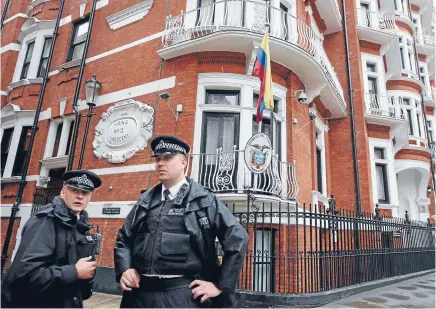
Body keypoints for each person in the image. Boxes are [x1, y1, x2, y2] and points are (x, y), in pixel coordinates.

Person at [114, 135, 249, 308]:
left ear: (184, 162)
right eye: (158, 159)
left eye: (168, 158)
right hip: (139, 295)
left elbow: (238, 238)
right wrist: (125, 269)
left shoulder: (203, 199)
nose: (160, 163)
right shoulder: (145, 201)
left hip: (182, 295)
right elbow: (124, 239)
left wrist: (219, 285)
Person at [1, 170, 102, 308]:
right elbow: (24, 277)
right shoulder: (46, 221)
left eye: (85, 193)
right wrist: (74, 272)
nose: (79, 196)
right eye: (74, 190)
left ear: (90, 197)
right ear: (63, 192)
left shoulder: (79, 223)